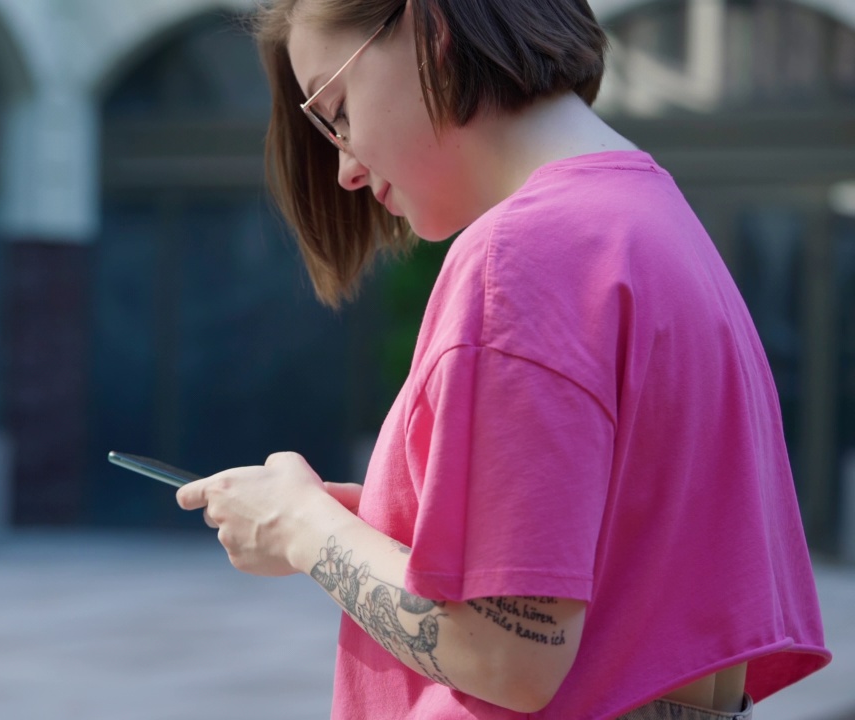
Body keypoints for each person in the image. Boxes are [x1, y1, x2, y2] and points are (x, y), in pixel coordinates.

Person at [174, 0, 832, 718]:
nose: (346, 170)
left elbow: (506, 655)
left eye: (336, 112)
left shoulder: (523, 258)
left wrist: (302, 527)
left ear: (429, 28)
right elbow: (625, 557)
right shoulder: (652, 225)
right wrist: (379, 521)